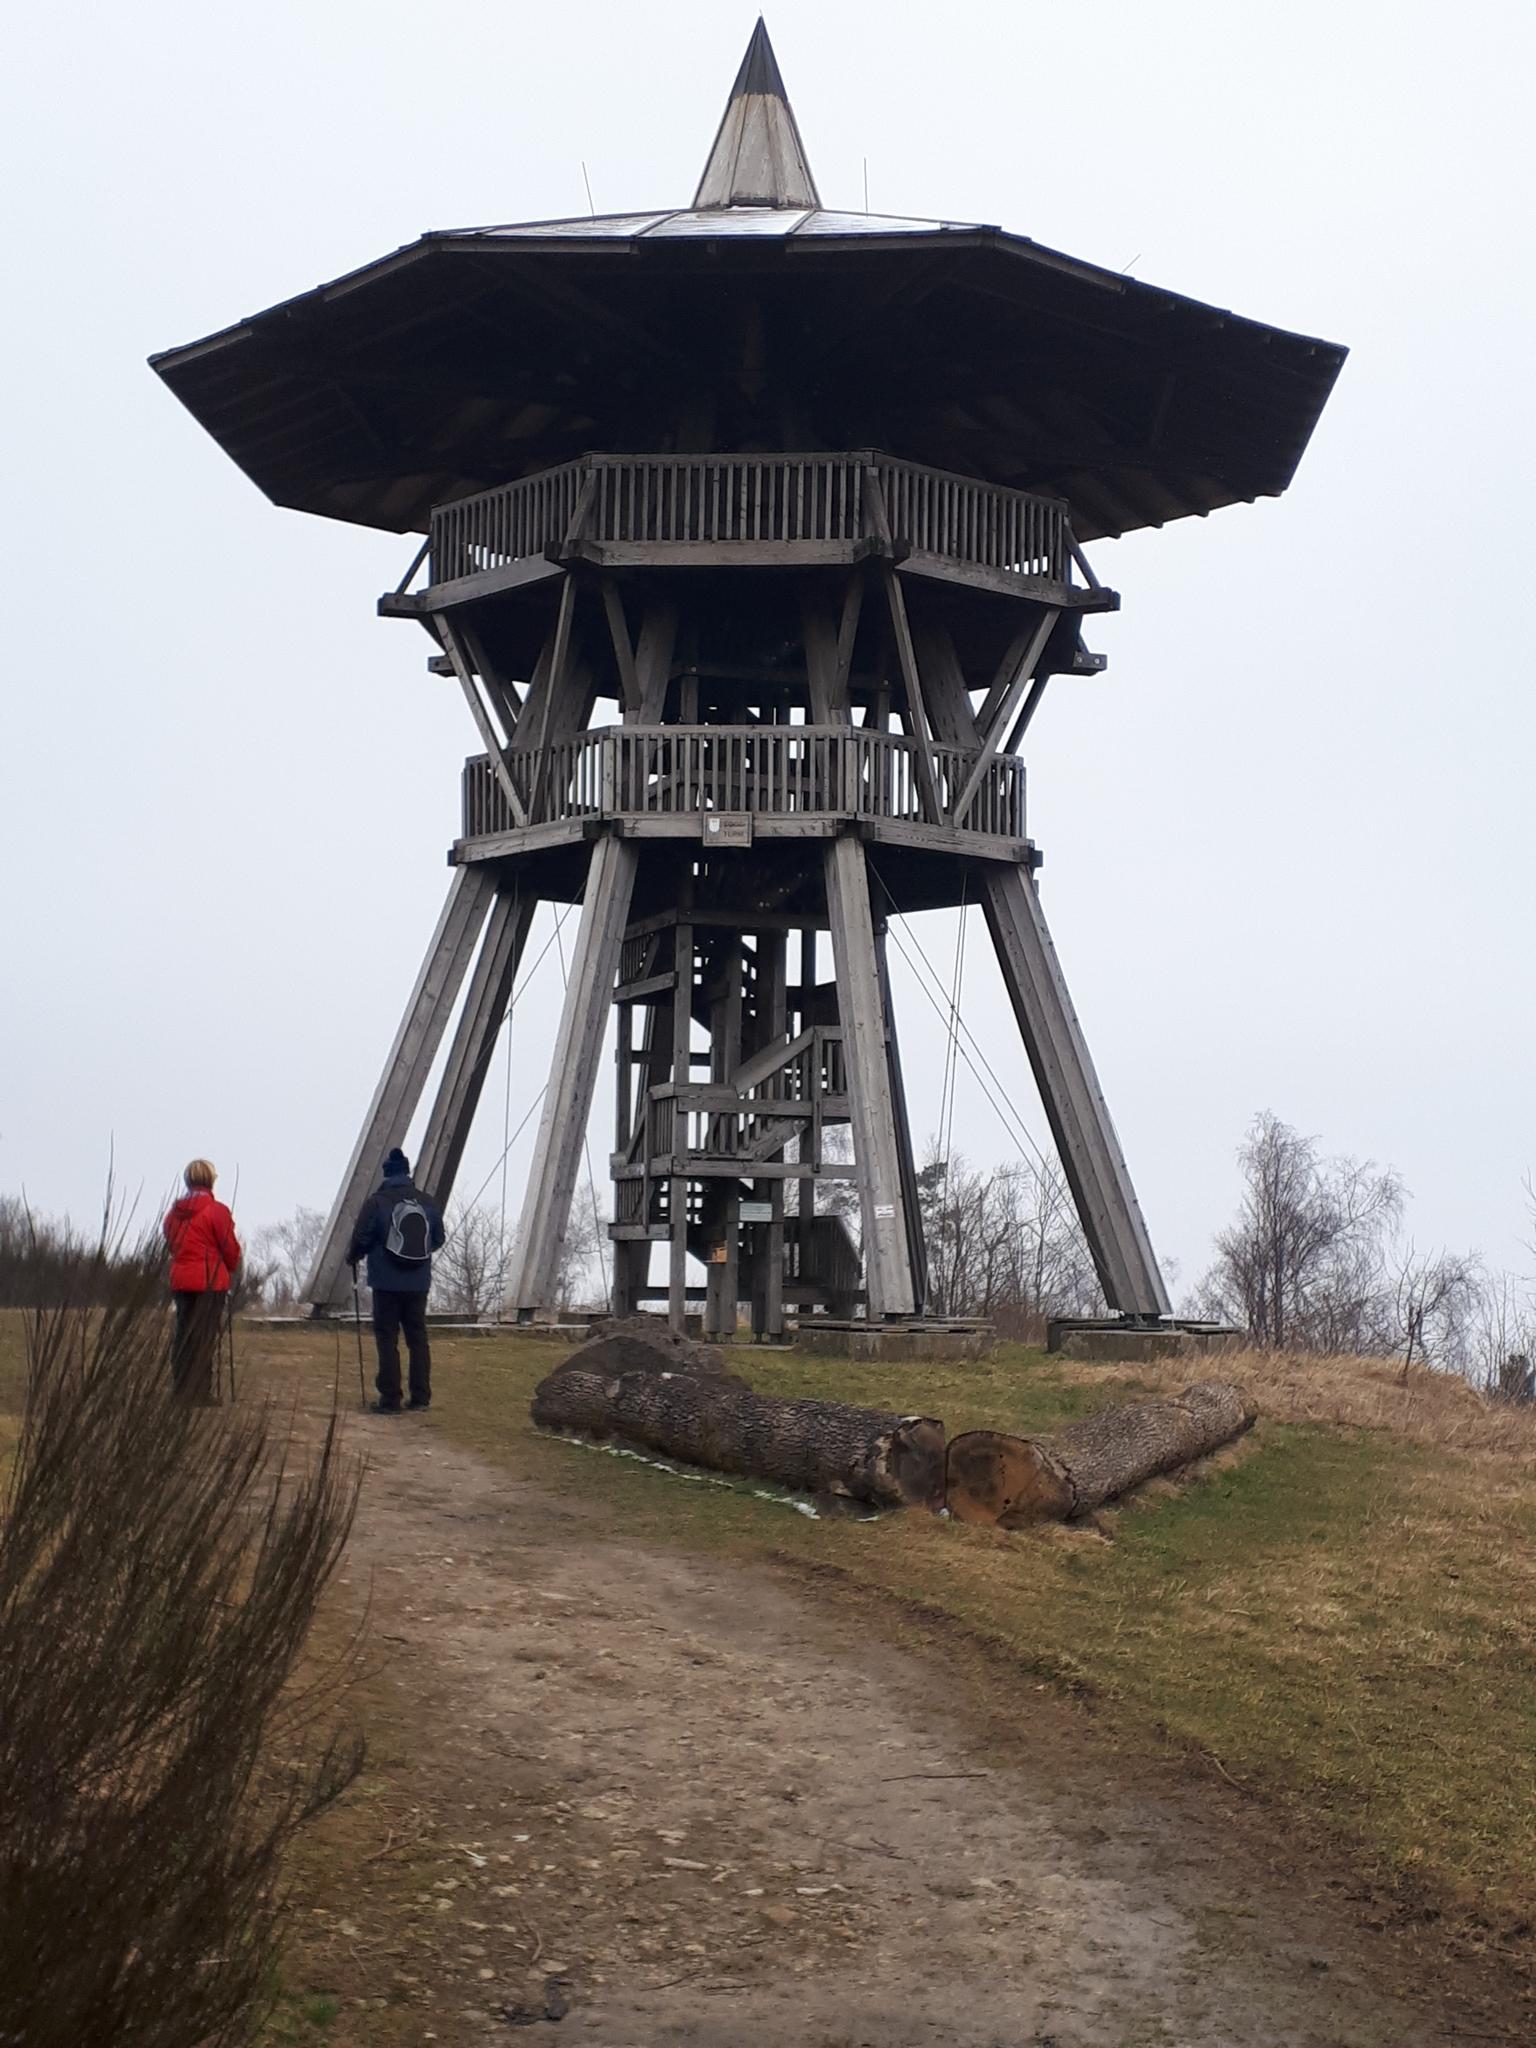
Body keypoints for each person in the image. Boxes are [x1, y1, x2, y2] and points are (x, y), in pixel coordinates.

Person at [346, 1146, 445, 1414]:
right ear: (407, 1172)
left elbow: (362, 1239)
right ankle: (421, 1397)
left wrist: (353, 1257)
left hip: (386, 1282)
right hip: (418, 1282)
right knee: (417, 1337)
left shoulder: (377, 1203)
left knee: (387, 1337)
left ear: (386, 1174)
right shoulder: (427, 1203)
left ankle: (390, 1399)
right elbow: (438, 1239)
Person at [163, 1158, 242, 1402]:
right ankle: (200, 1391)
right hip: (210, 1282)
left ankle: (181, 1388)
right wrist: (230, 1265)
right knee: (204, 1336)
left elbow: (172, 1244)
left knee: (183, 1333)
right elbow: (230, 1249)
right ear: (211, 1180)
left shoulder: (174, 1214)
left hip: (182, 1280)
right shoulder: (216, 1211)